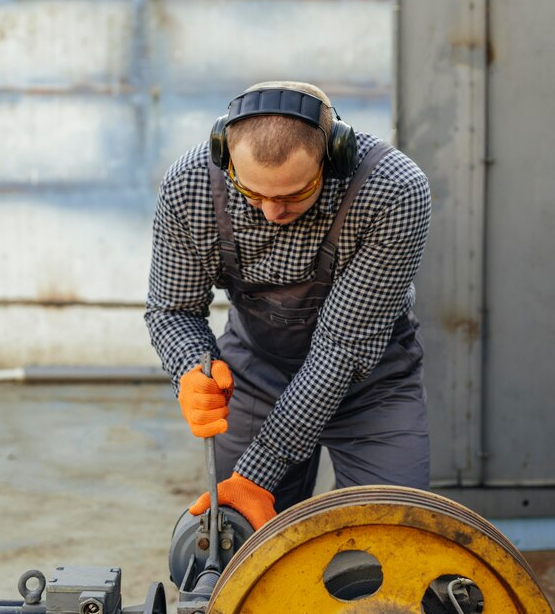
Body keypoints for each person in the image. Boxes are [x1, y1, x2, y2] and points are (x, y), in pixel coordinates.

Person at [145, 81, 431, 531]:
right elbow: (173, 309)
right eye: (251, 192)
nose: (269, 213)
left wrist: (255, 474)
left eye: (293, 195)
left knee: (389, 536)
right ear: (226, 158)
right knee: (231, 540)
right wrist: (191, 369)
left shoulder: (392, 190)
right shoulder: (191, 185)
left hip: (371, 382)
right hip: (255, 370)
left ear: (332, 158)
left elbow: (341, 351)